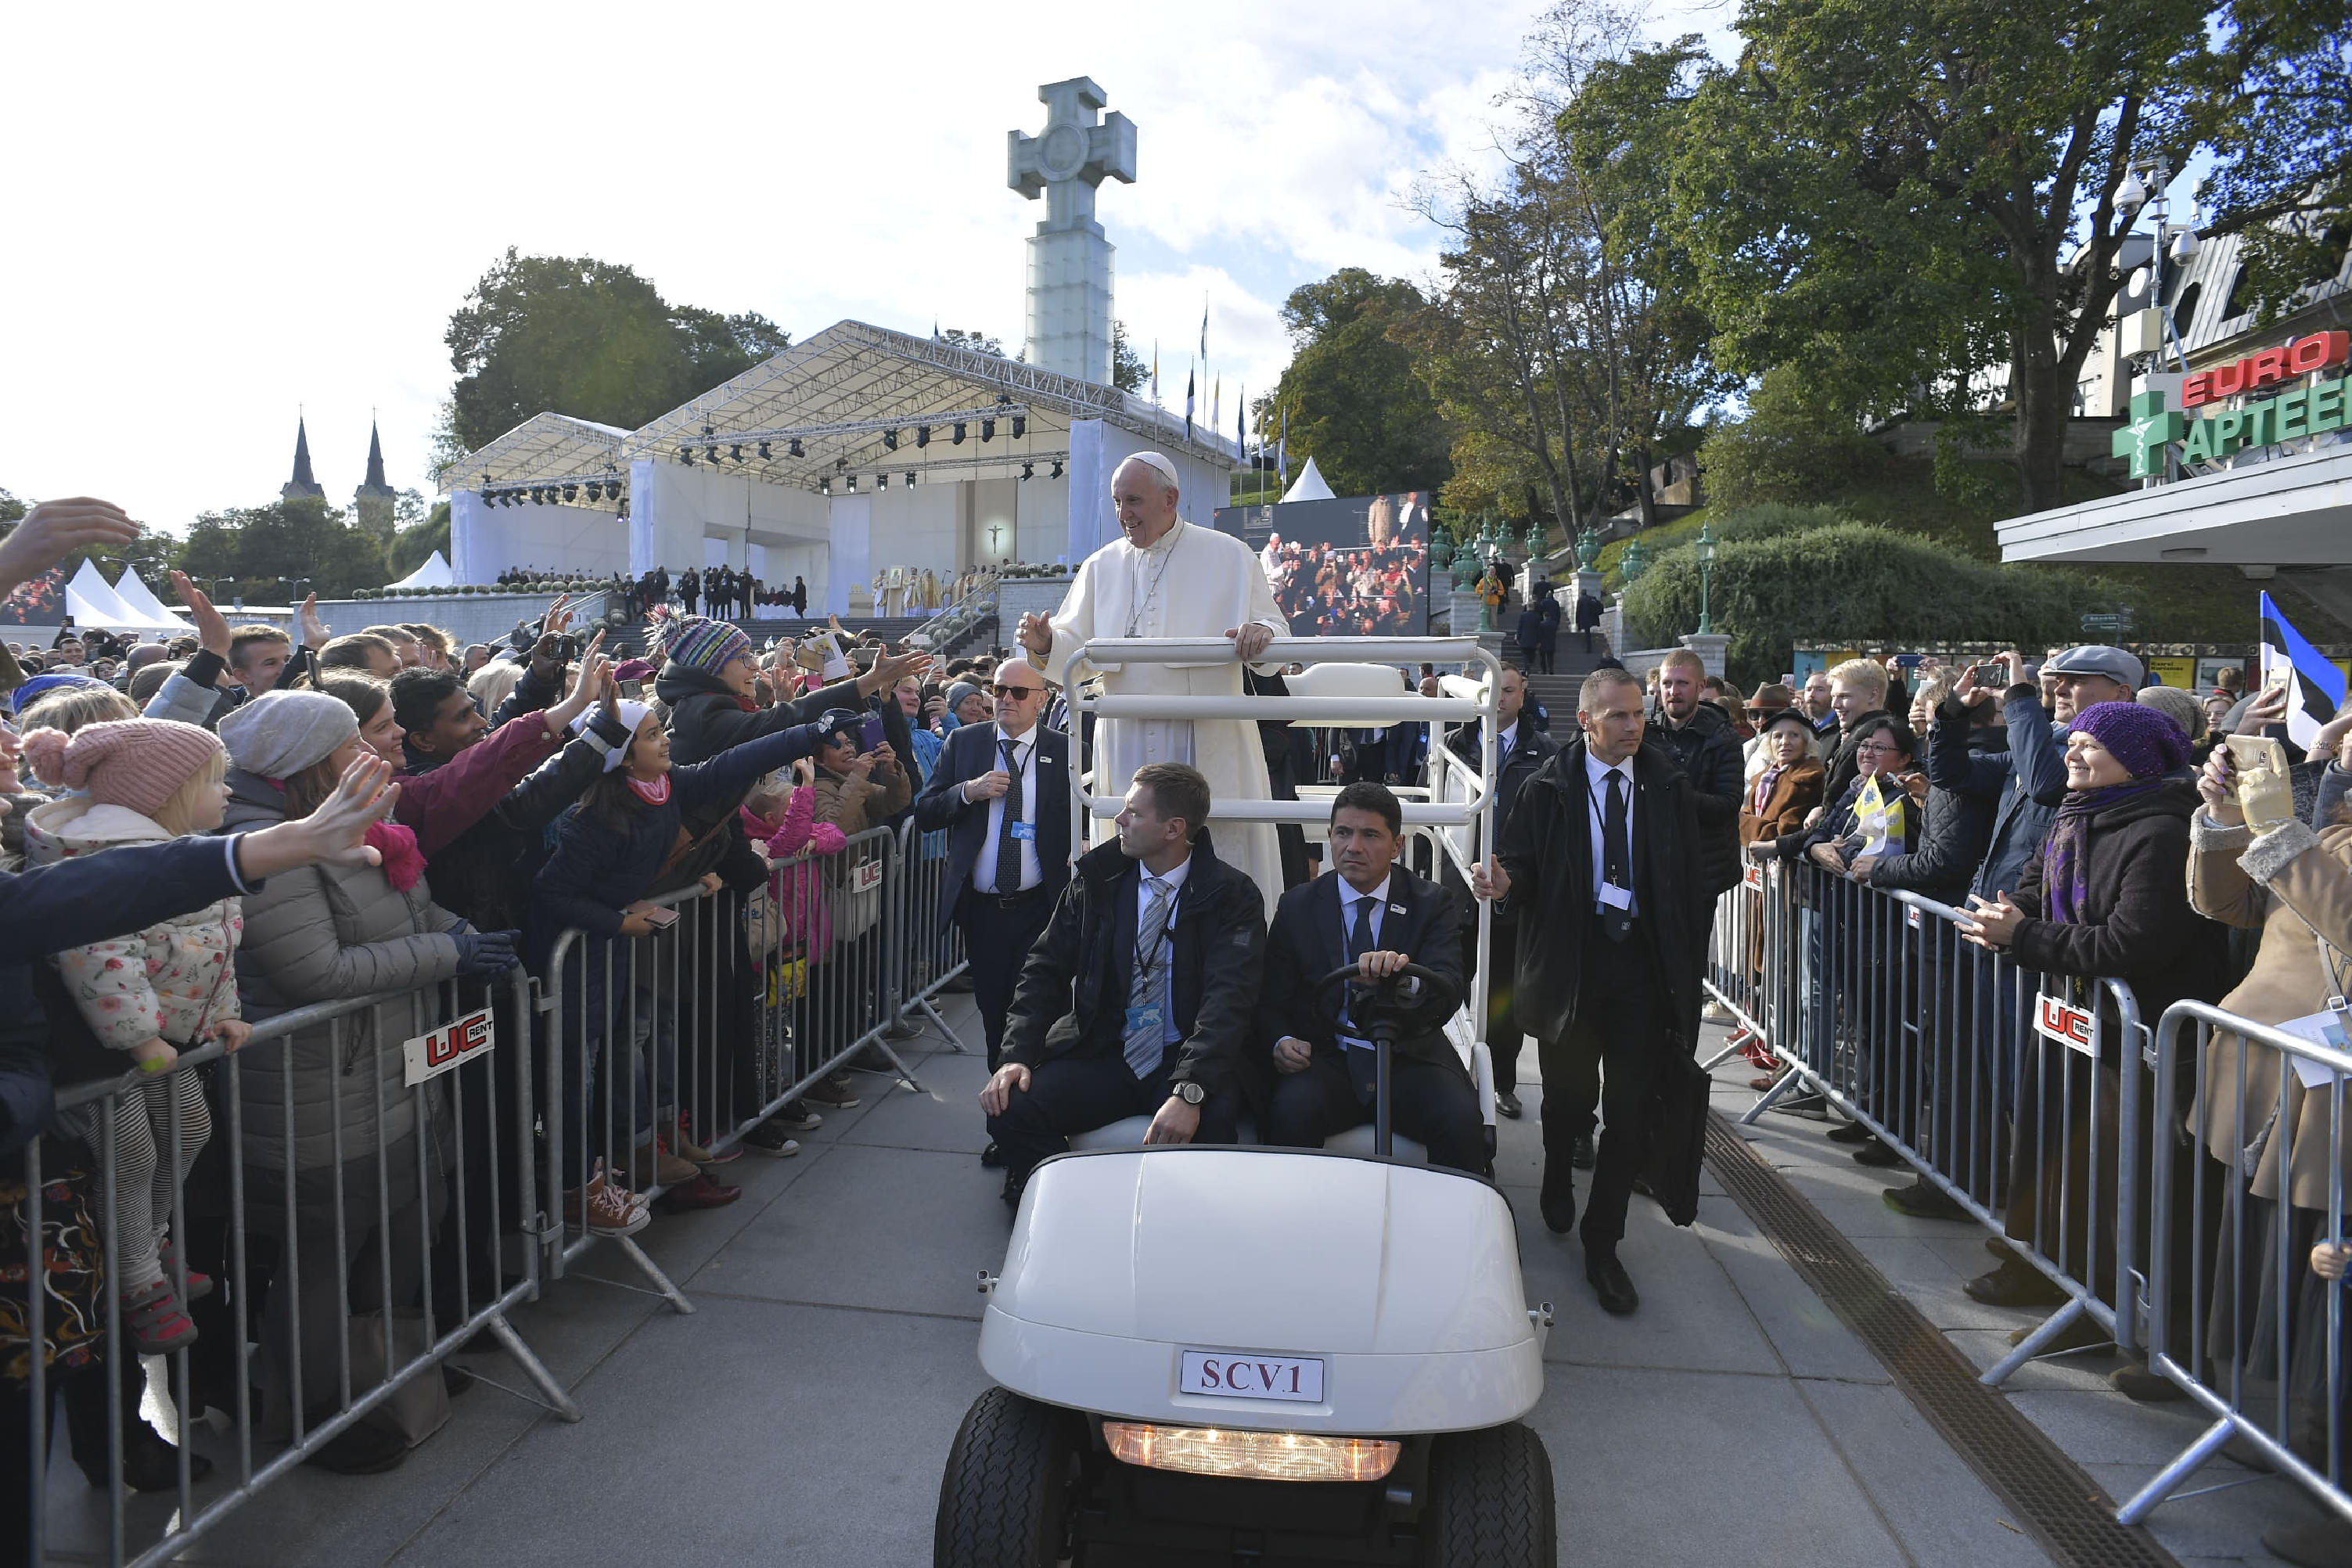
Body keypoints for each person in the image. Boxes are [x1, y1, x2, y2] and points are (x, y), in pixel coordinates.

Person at [1955, 701, 2228, 1316]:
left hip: (2132, 1039)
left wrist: (2023, 936)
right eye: (2073, 741)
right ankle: (2043, 1269)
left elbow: (2134, 943)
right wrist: (2009, 917)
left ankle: (2109, 1309)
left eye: (2089, 745)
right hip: (2069, 1021)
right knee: (2050, 1152)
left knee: (2113, 1178)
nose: (2072, 753)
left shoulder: (2162, 832)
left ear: (2133, 759)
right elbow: (2033, 890)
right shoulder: (2073, 813)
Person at [1469, 668, 1717, 1314]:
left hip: (1643, 976)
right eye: (1618, 717)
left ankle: (1603, 1242)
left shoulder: (1667, 783)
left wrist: (1685, 969)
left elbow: (1686, 878)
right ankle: (1556, 1170)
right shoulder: (1546, 786)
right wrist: (1506, 883)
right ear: (1586, 721)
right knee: (1567, 1100)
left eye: (1639, 714)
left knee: (1630, 1115)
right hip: (1572, 973)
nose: (1634, 726)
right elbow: (1521, 864)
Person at [21, 720, 245, 1357]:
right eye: (215, 781)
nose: (228, 792)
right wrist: (142, 1038)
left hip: (164, 1042)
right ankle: (138, 1279)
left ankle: (148, 1241)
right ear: (165, 794)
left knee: (190, 1130)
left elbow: (215, 942)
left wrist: (223, 1012)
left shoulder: (179, 849)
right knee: (131, 1157)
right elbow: (99, 957)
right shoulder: (107, 861)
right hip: (100, 1051)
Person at [1018, 452, 1289, 916]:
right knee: (1130, 872)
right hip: (1127, 738)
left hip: (1205, 734)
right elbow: (1074, 653)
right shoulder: (1101, 565)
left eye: (1134, 500)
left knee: (1218, 852)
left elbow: (1275, 636)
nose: (1124, 513)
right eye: (1117, 501)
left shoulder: (1229, 555)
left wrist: (1260, 634)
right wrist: (1046, 644)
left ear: (1170, 499)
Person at [979, 764, 1262, 1203]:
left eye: (1133, 812)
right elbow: (1044, 969)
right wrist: (1016, 1056)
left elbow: (1229, 1001)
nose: (1120, 820)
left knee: (1212, 1128)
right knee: (1010, 1107)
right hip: (1106, 1048)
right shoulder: (1098, 881)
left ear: (1173, 829)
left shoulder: (1232, 895)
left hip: (1183, 1056)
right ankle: (1074, 1205)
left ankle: (1177, 1224)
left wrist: (1190, 1088)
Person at [1254, 782, 1482, 1172]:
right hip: (1326, 1057)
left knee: (1461, 1122)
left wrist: (1402, 979)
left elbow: (1449, 985)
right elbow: (1271, 997)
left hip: (1410, 1056)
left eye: (1370, 835)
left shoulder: (1431, 903)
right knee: (1290, 1113)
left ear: (1397, 845)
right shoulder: (1297, 906)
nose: (1353, 847)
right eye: (1343, 833)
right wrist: (1282, 1040)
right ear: (1329, 836)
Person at [912, 657, 1071, 1089]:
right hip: (984, 910)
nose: (1006, 700)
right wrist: (968, 791)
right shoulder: (965, 742)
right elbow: (926, 812)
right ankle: (1004, 1103)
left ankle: (1038, 1098)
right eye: (999, 690)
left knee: (1043, 1009)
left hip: (1042, 907)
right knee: (996, 1012)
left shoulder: (1065, 749)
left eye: (1018, 692)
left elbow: (1083, 816)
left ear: (1041, 700)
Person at [1441, 664, 1558, 1118]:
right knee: (1449, 982)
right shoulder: (1453, 744)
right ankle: (1449, 1072)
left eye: (1508, 691)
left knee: (1504, 994)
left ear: (1523, 695)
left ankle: (1503, 1081)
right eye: (1491, 691)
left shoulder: (1543, 751)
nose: (1498, 699)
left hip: (1511, 892)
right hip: (1458, 886)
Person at [1575, 585, 1602, 654]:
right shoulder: (1591, 599)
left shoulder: (1580, 600)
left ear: (1581, 593)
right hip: (1591, 618)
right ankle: (1589, 647)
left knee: (1587, 633)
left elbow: (1578, 611)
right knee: (1588, 632)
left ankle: (1588, 648)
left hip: (1584, 619)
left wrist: (1577, 621)